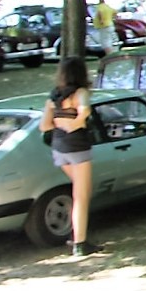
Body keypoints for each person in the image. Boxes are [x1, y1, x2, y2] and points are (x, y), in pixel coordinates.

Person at [40, 57, 98, 256]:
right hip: (78, 148)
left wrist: (60, 123)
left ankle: (78, 236)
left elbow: (44, 126)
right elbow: (84, 114)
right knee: (81, 196)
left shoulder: (53, 97)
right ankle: (80, 243)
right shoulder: (80, 93)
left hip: (59, 148)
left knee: (83, 190)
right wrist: (74, 123)